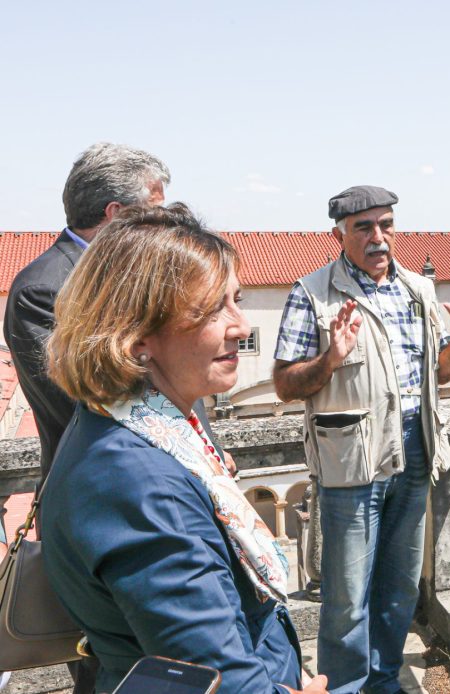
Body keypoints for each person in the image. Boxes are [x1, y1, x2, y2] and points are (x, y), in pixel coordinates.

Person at [40, 204, 327, 694]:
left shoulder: (137, 423)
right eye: (214, 309)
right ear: (135, 338)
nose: (240, 326)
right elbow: (215, 679)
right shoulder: (138, 483)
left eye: (236, 300)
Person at [273, 185, 450, 694]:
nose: (379, 238)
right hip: (352, 461)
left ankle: (384, 681)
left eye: (386, 225)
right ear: (339, 235)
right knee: (347, 596)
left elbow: (440, 372)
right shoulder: (312, 295)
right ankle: (345, 687)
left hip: (415, 452)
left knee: (397, 588)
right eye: (364, 228)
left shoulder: (417, 289)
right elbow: (285, 384)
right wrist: (330, 358)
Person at [3, 142, 232, 483]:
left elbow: (178, 376)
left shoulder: (140, 275)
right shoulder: (42, 290)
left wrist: (207, 446)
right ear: (116, 214)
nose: (163, 223)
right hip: (112, 488)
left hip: (180, 473)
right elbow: (88, 402)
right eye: (154, 211)